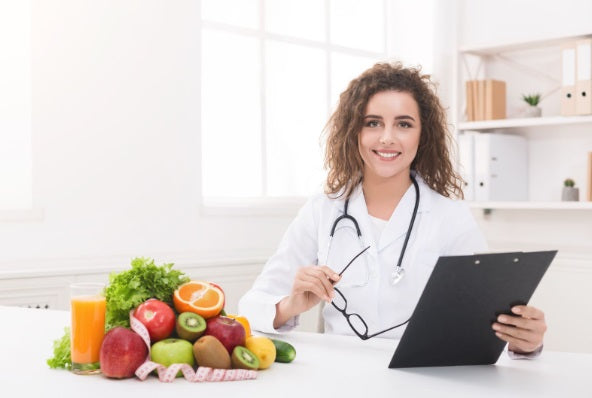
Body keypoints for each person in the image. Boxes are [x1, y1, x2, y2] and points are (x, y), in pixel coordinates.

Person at [238, 62, 546, 356]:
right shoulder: (323, 209)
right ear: (353, 132)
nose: (387, 138)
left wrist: (523, 342)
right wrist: (290, 305)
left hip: (422, 375)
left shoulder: (450, 216)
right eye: (373, 123)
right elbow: (251, 307)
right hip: (339, 375)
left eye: (403, 124)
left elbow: (485, 320)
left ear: (422, 135)